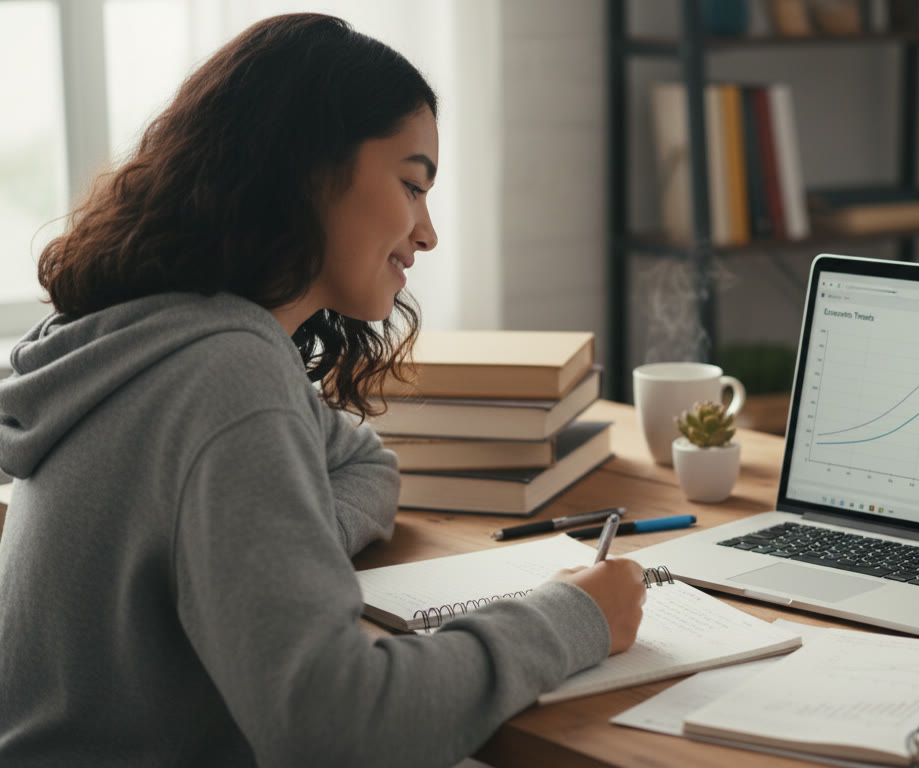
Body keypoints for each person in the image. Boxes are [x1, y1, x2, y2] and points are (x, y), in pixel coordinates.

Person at [0, 14, 646, 766]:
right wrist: (575, 615)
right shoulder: (225, 376)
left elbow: (365, 461)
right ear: (306, 171)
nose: (428, 232)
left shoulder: (154, 334)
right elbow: (342, 731)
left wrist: (270, 554)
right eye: (412, 185)